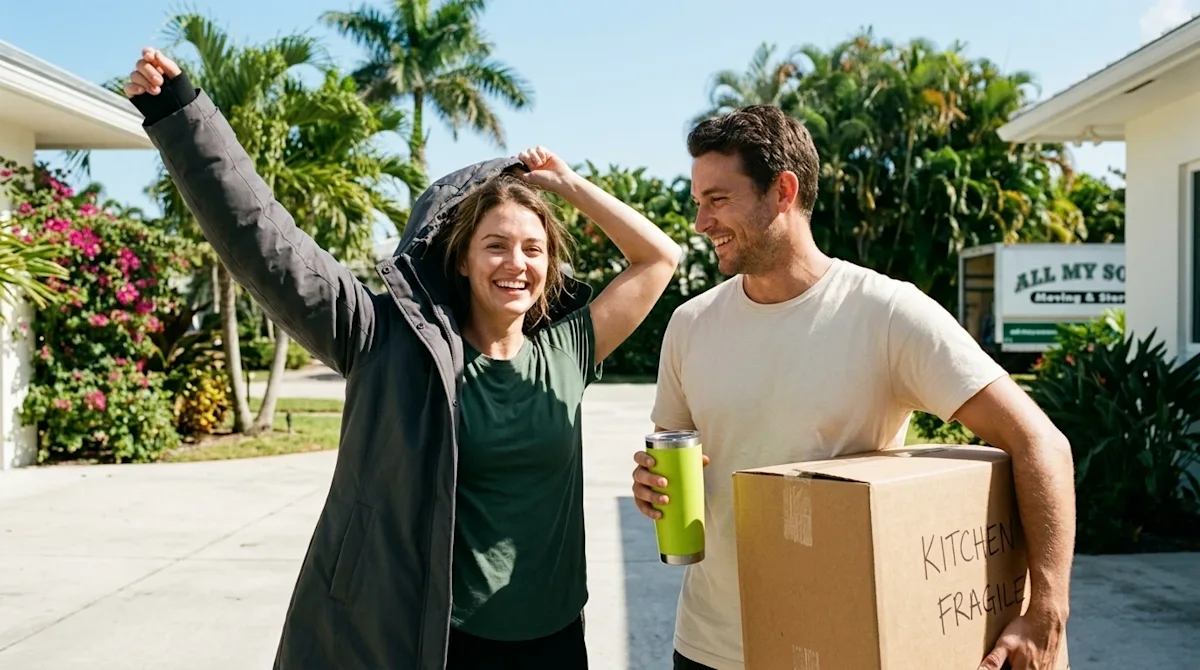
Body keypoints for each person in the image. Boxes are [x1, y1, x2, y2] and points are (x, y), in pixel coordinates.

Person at [123, 48, 680, 669]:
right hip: (438, 641)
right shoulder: (384, 338)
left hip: (554, 636)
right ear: (462, 257)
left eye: (532, 249)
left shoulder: (570, 348)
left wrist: (567, 184)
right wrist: (181, 114)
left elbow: (660, 258)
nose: (516, 264)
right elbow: (266, 241)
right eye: (495, 246)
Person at [630, 105, 1075, 670]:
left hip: (843, 647)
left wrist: (1048, 609)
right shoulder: (690, 324)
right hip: (709, 646)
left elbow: (1041, 442)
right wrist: (650, 485)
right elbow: (672, 442)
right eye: (698, 202)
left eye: (718, 200)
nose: (700, 223)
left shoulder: (887, 313)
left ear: (783, 191)